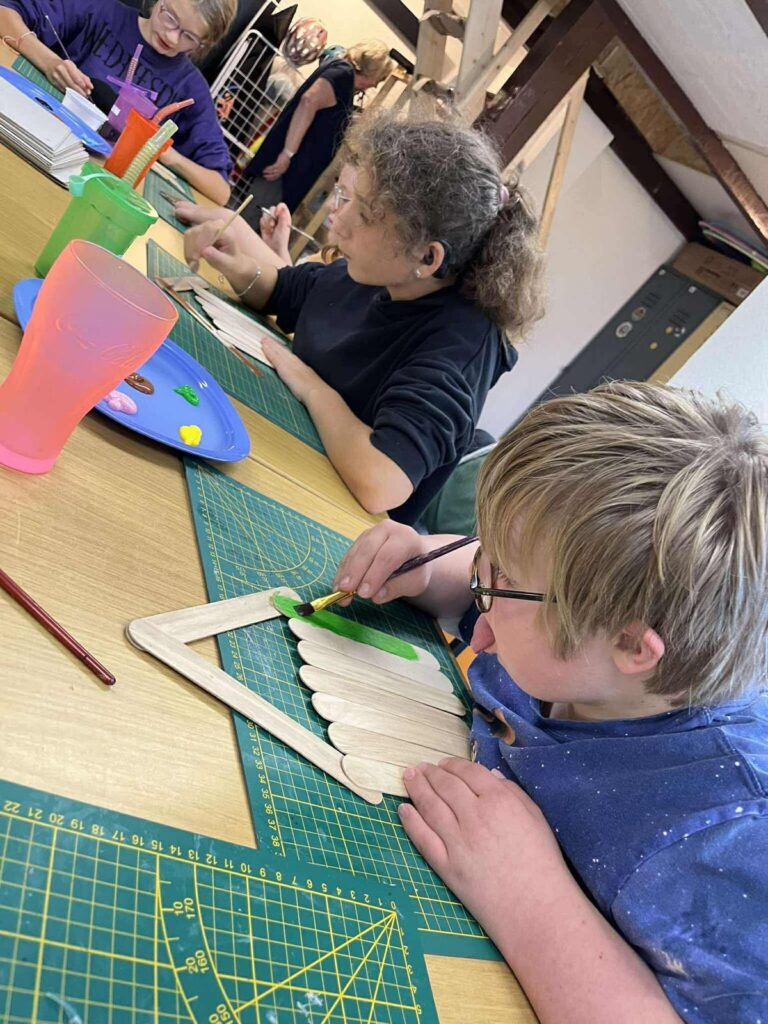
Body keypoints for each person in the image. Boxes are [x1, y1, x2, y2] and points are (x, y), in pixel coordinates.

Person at [331, 380, 768, 1024]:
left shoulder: (724, 839)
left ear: (631, 645)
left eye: (502, 581)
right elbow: (511, 577)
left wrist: (530, 899)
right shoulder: (586, 646)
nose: (482, 590)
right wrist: (428, 566)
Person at [183, 109, 545, 524]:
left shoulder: (460, 345)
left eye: (366, 215)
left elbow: (382, 480)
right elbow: (286, 291)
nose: (339, 221)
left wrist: (312, 388)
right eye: (349, 199)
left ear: (427, 257)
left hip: (326, 519)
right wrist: (233, 262)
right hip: (287, 457)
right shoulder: (381, 274)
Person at [0, 0, 235, 202]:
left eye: (189, 37)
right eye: (170, 17)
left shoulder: (191, 89)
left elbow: (220, 190)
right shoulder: (101, 12)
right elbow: (5, 10)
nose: (172, 37)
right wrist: (49, 62)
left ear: (204, 43)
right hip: (32, 143)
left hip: (98, 191)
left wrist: (162, 151)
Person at [241, 40, 394, 218]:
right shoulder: (342, 75)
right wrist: (287, 154)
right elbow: (308, 101)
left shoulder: (340, 71)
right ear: (371, 71)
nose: (374, 85)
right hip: (286, 170)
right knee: (254, 218)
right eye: (378, 79)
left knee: (259, 218)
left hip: (291, 170)